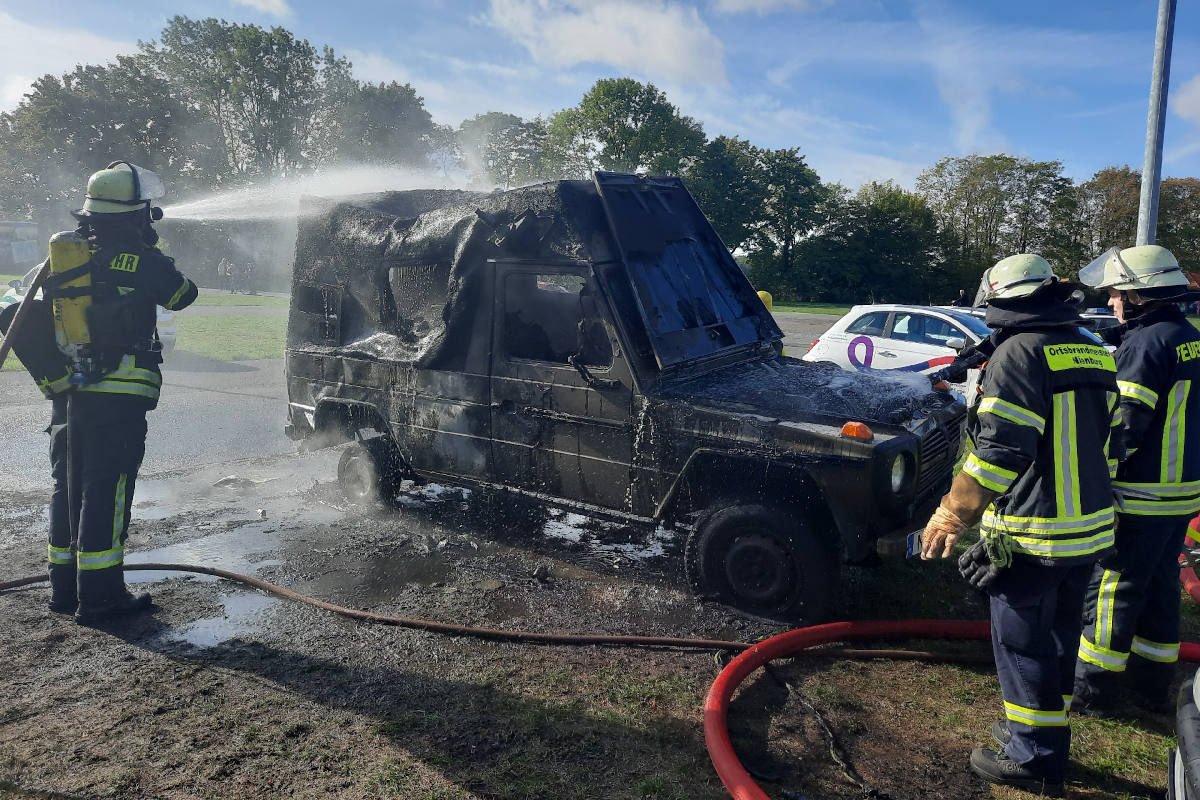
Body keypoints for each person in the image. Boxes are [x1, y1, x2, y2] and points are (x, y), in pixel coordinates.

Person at [921, 253, 1117, 796]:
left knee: (1020, 642)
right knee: (1056, 638)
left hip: (1036, 532)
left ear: (1001, 299)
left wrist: (953, 512)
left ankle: (1032, 758)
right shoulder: (1092, 347)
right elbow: (1113, 439)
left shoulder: (1018, 353)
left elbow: (998, 452)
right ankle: (1041, 735)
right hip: (1090, 527)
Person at [37, 161, 198, 624]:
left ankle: (65, 591)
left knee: (67, 484)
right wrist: (150, 251)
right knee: (107, 487)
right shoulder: (142, 261)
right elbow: (183, 295)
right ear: (134, 216)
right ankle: (103, 597)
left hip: (69, 395)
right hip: (120, 394)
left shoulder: (62, 256)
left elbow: (19, 311)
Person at [1073, 245, 1200, 716]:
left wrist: (1095, 486)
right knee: (1160, 586)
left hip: (1143, 493)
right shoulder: (1189, 336)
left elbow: (1125, 425)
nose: (1111, 303)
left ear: (1141, 297)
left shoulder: (1146, 344)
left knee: (1113, 587)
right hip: (1182, 492)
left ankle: (1093, 690)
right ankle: (1152, 685)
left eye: (1116, 294)